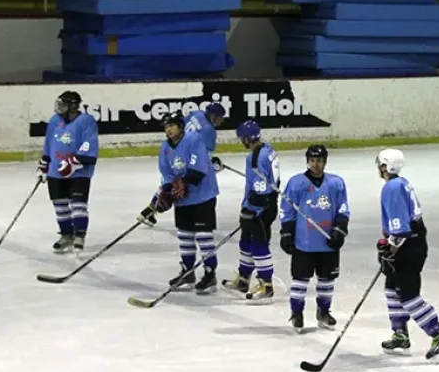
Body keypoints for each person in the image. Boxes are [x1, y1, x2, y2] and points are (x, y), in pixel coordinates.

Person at [374, 148, 439, 359]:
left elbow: (400, 229)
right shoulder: (401, 183)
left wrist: (390, 248)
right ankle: (400, 334)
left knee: (407, 294)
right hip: (411, 242)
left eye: (379, 164)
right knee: (392, 287)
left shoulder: (392, 187)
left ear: (384, 166)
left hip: (409, 245)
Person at [139, 112, 220, 293]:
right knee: (185, 235)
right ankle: (188, 272)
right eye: (166, 127)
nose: (168, 130)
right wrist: (168, 192)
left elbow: (198, 169)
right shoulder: (165, 148)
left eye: (172, 126)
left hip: (203, 195)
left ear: (180, 127)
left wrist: (182, 183)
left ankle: (210, 274)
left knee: (203, 235)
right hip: (183, 199)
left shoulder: (194, 140)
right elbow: (166, 173)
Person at [279, 145, 349, 333]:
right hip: (304, 243)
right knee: (300, 280)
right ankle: (297, 313)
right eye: (312, 160)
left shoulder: (336, 183)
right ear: (307, 161)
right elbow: (287, 210)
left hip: (328, 242)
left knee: (326, 280)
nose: (315, 164)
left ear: (325, 161)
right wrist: (287, 233)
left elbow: (343, 208)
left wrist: (340, 229)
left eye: (319, 160)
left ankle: (323, 312)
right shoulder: (296, 183)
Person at [221, 120, 280, 301]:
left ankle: (266, 285)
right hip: (265, 205)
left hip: (260, 209)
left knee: (258, 244)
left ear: (247, 139)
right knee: (245, 242)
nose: (241, 142)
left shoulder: (255, 158)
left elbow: (261, 189)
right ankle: (243, 279)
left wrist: (251, 210)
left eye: (242, 139)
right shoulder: (268, 150)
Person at [142, 103, 224, 227]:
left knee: (168, 183)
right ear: (213, 116)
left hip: (177, 150)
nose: (219, 120)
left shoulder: (198, 114)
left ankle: (149, 210)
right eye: (218, 117)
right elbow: (203, 157)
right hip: (188, 156)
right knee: (180, 185)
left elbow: (180, 122)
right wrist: (215, 164)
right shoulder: (209, 131)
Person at [39, 90, 98, 253]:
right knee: (60, 206)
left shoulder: (86, 121)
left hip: (79, 172)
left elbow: (89, 145)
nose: (59, 107)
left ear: (73, 106)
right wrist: (44, 162)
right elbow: (49, 143)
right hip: (56, 171)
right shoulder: (54, 121)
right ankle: (66, 235)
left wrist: (73, 162)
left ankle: (79, 235)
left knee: (78, 204)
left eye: (64, 104)